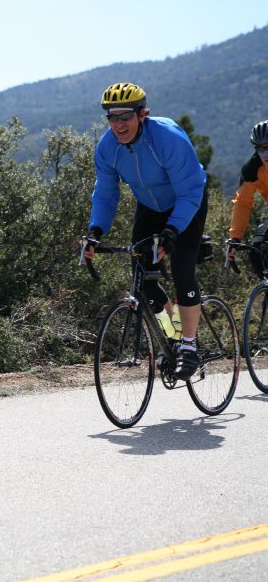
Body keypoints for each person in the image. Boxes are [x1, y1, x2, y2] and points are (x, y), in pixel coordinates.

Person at [82, 82, 208, 381]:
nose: (119, 124)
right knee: (143, 278)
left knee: (181, 270)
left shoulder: (167, 138)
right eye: (112, 118)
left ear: (142, 114)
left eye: (125, 116)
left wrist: (173, 230)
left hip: (186, 202)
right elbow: (105, 194)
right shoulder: (108, 148)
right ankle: (173, 334)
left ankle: (189, 347)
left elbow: (190, 190)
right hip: (150, 208)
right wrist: (95, 231)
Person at [226, 120, 268, 277]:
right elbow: (242, 203)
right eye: (260, 148)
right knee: (256, 249)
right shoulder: (252, 169)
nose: (265, 153)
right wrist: (235, 238)